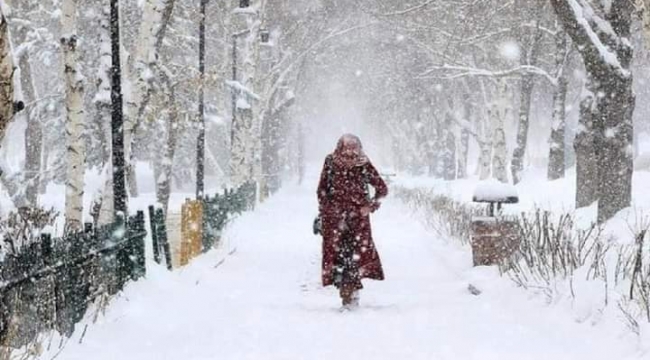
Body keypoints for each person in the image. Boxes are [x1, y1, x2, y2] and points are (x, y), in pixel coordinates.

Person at [316, 134, 388, 310]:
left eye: (352, 149)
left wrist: (370, 206)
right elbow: (322, 190)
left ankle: (349, 294)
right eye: (346, 149)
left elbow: (381, 189)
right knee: (345, 257)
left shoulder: (361, 163)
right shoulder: (333, 162)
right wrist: (327, 210)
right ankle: (348, 293)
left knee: (349, 257)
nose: (349, 153)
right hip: (341, 221)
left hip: (351, 221)